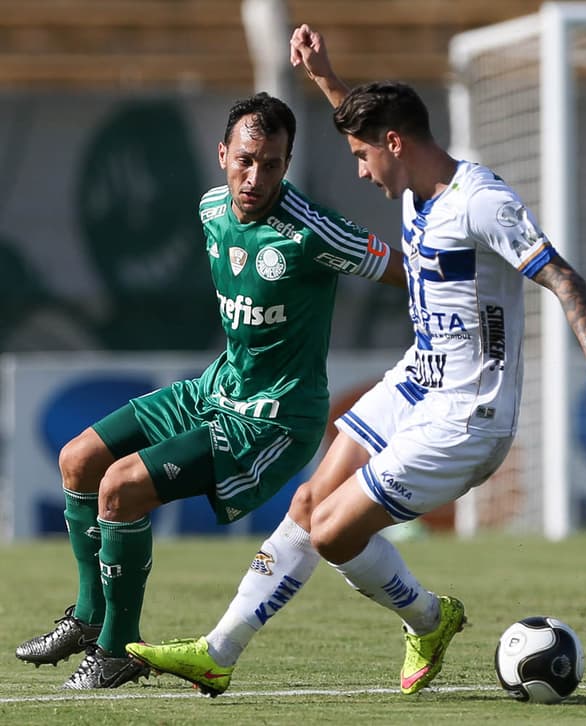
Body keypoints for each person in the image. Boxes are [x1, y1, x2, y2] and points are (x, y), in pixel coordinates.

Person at [126, 25, 586, 697]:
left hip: (468, 415)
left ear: (396, 144)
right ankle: (219, 652)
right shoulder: (413, 181)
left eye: (364, 155)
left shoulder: (481, 202)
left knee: (332, 532)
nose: (359, 170)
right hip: (417, 380)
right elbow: (372, 126)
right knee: (309, 499)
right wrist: (326, 78)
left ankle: (428, 616)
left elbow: (564, 278)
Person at [15, 91, 406, 690]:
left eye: (272, 164)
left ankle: (117, 651)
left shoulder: (313, 231)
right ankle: (89, 619)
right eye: (246, 159)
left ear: (286, 164)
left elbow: (407, 270)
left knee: (121, 488)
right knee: (80, 461)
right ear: (222, 153)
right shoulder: (209, 209)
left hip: (272, 420)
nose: (256, 176)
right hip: (214, 389)